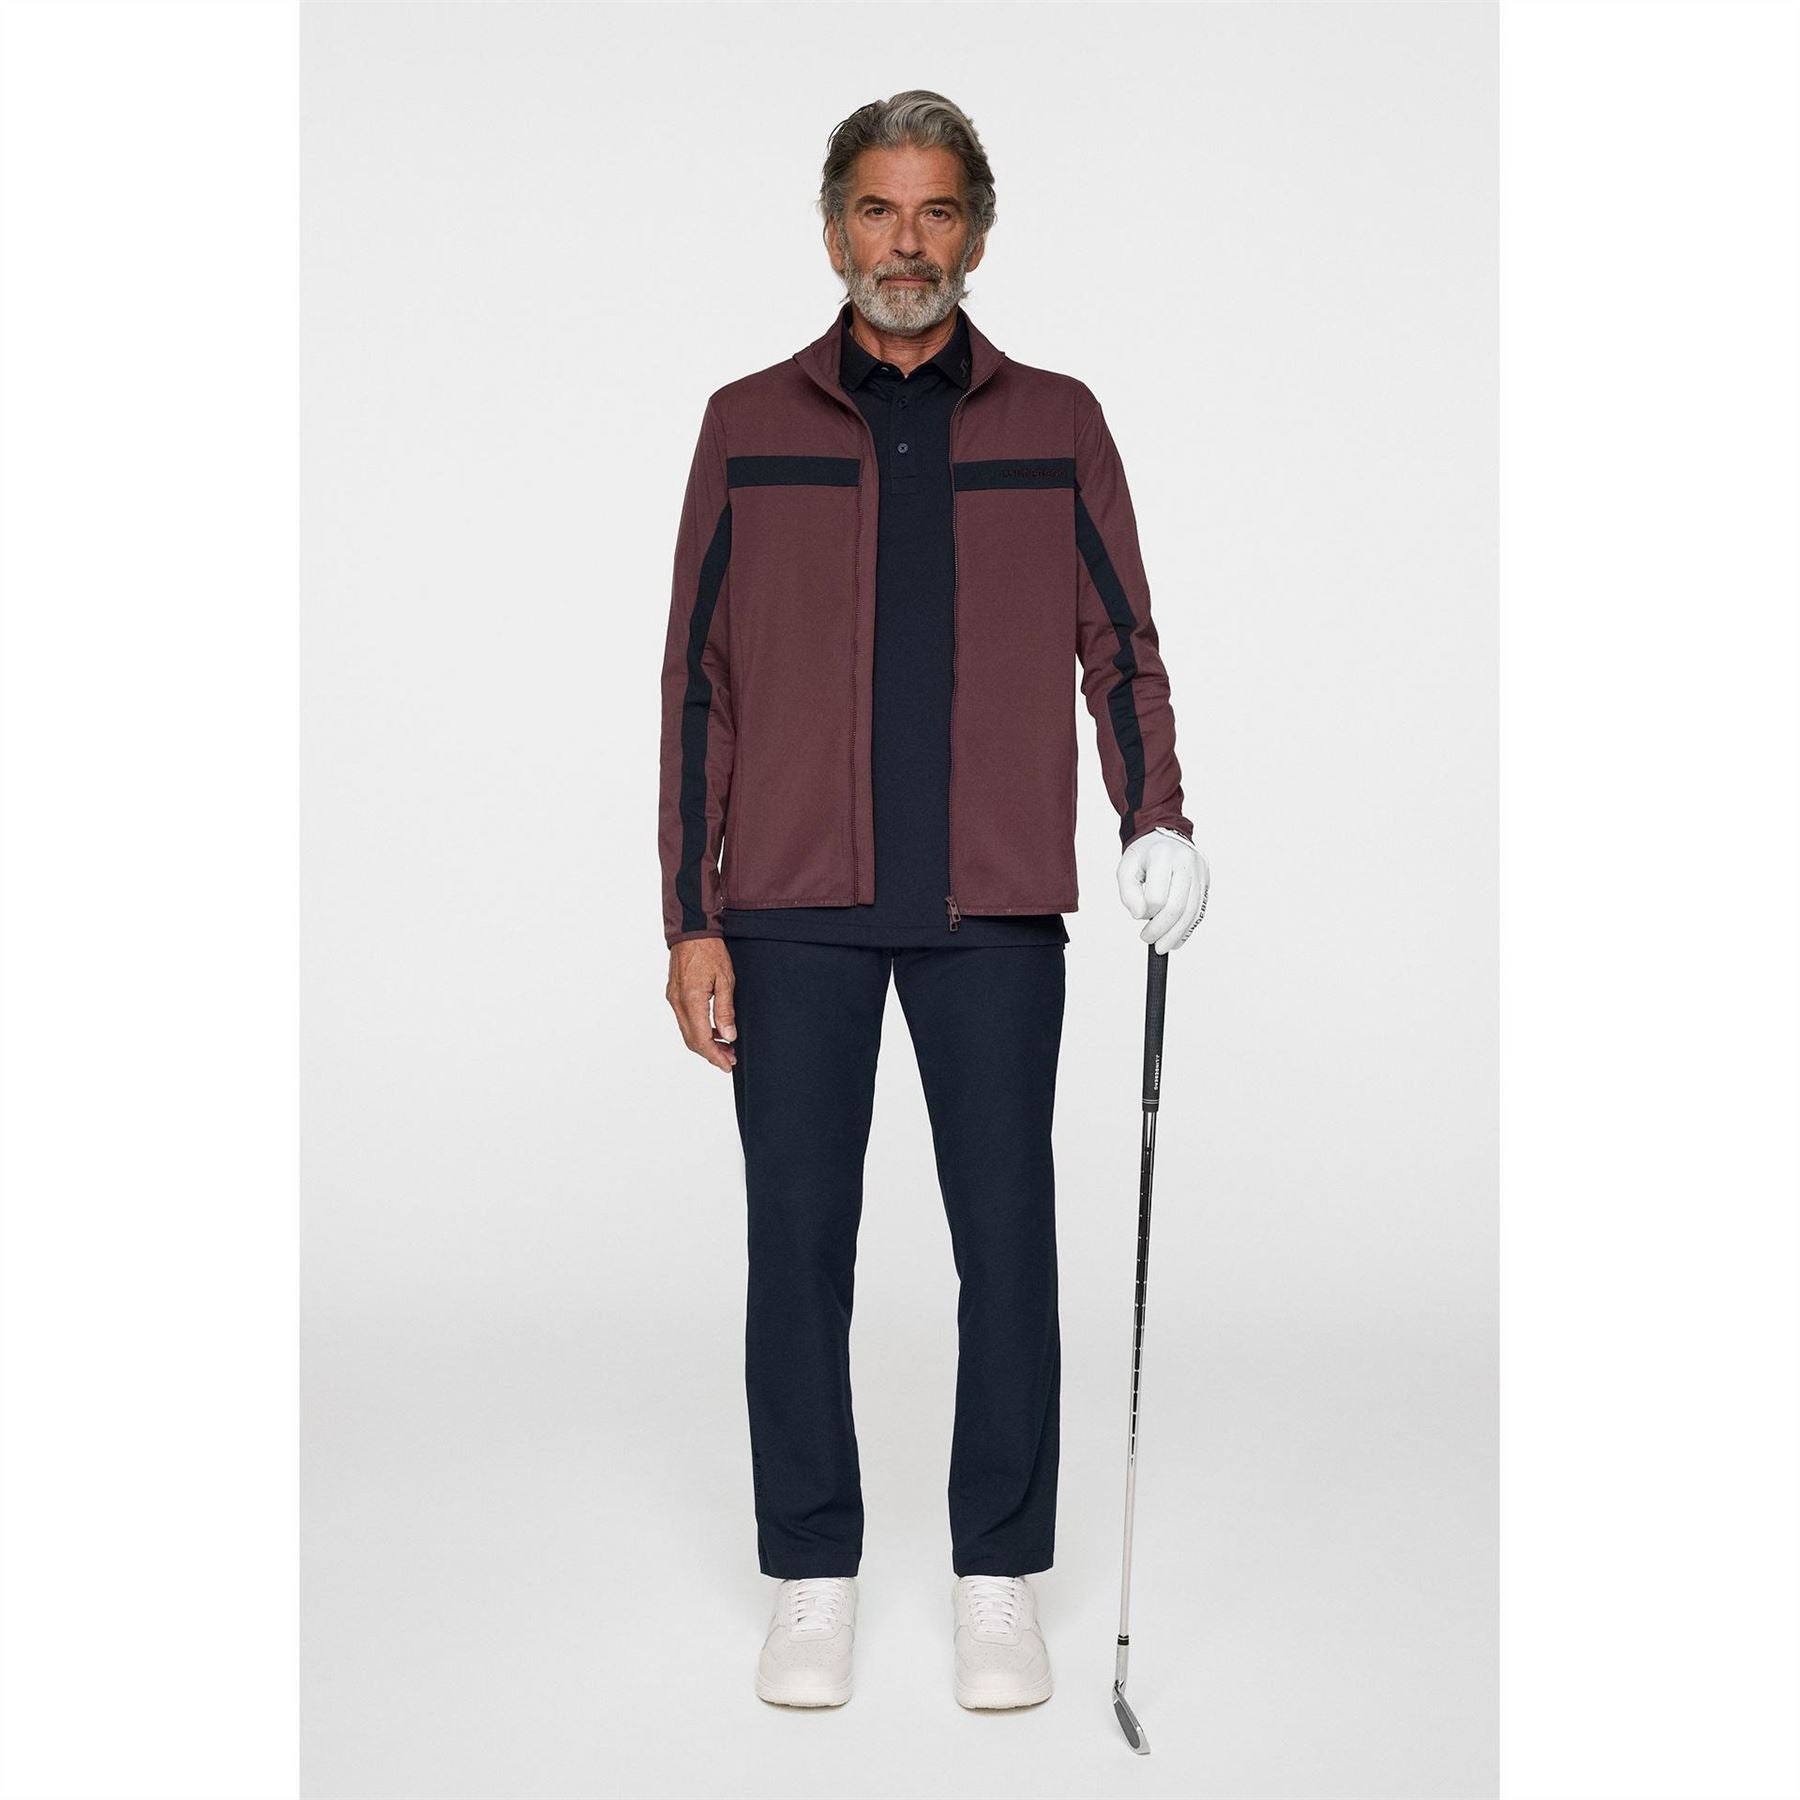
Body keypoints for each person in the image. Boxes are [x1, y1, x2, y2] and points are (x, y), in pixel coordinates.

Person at [656, 89, 1210, 1712]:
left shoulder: (1060, 422)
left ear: (979, 228)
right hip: (790, 908)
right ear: (836, 225)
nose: (908, 243)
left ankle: (997, 1573)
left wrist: (1157, 817)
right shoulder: (744, 423)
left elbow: (1121, 645)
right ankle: (812, 1572)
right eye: (880, 211)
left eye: (938, 211)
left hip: (993, 908)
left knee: (1009, 1240)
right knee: (797, 1247)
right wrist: (691, 917)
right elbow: (697, 683)